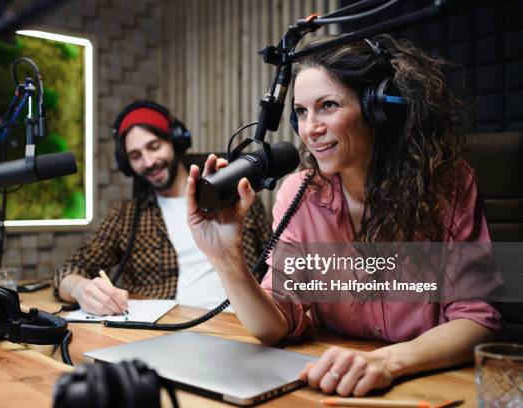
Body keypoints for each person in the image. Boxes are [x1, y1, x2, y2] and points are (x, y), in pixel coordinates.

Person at [186, 35, 503, 397]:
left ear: (378, 108)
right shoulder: (298, 193)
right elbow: (274, 325)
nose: (310, 129)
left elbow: (476, 320)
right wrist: (226, 258)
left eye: (328, 105)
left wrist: (387, 362)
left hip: (429, 387)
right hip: (331, 386)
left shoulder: (448, 185)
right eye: (302, 112)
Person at [53, 101, 271, 315]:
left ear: (174, 142)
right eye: (136, 156)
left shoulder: (238, 196)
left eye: (154, 146)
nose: (148, 162)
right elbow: (69, 270)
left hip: (244, 325)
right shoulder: (125, 216)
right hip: (166, 332)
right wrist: (81, 289)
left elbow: (278, 264)